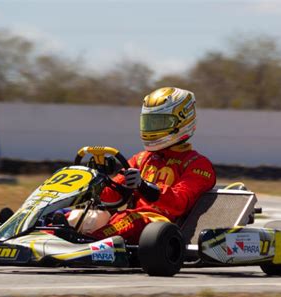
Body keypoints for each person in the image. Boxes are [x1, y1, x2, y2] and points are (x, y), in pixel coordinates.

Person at [89, 87, 217, 244]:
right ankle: (54, 235)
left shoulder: (197, 164)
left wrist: (143, 186)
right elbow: (113, 196)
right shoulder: (142, 158)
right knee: (84, 215)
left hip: (161, 229)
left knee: (130, 219)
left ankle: (87, 243)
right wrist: (98, 180)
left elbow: (179, 203)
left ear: (182, 121)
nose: (152, 129)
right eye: (149, 123)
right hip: (131, 220)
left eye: (160, 122)